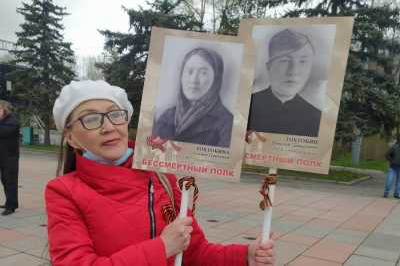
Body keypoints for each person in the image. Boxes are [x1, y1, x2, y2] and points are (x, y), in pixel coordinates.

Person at [46, 80, 275, 266]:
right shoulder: (64, 192)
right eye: (91, 119)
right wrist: (163, 246)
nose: (108, 127)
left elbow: (194, 252)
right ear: (71, 137)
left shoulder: (163, 177)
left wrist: (245, 255)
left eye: (115, 114)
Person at [153, 47, 233, 148]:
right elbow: (152, 150)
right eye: (190, 71)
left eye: (203, 73)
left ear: (216, 79)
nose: (194, 80)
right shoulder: (167, 117)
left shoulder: (227, 124)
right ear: (181, 76)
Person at [248, 29, 321, 137]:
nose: (293, 71)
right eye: (285, 61)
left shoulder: (317, 117)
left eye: (303, 61)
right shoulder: (247, 107)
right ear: (269, 67)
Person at [0, 100, 20, 216]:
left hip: (10, 157)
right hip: (2, 155)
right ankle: (9, 201)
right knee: (4, 180)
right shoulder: (3, 120)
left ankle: (11, 206)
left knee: (10, 181)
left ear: (4, 109)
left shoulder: (12, 121)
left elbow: (3, 132)